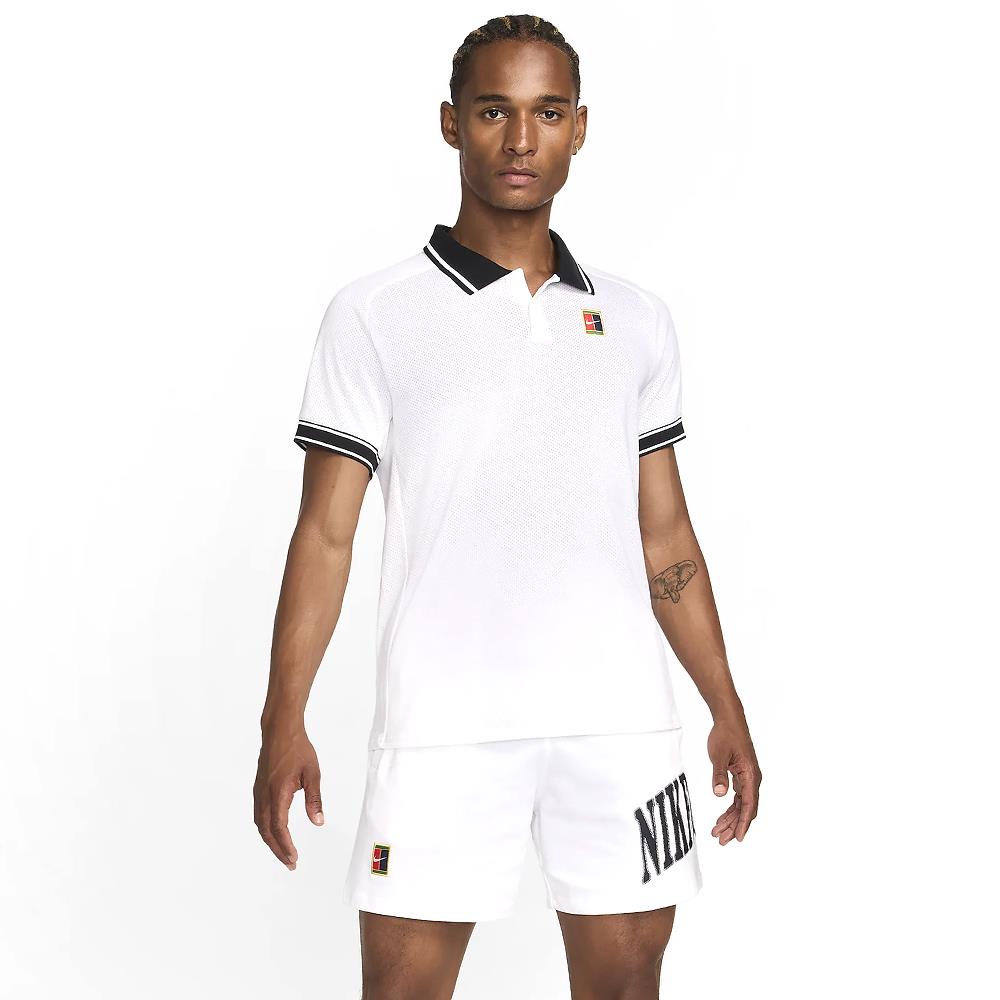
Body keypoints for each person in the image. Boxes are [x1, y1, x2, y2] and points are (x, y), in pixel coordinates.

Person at [254, 13, 761, 998]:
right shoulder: (374, 313)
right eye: (494, 111)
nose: (521, 139)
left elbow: (664, 533)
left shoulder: (637, 320)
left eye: (547, 112)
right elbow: (325, 534)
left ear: (579, 127)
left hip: (620, 726)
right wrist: (283, 717)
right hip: (441, 726)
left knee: (628, 986)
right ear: (452, 123)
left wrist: (724, 704)